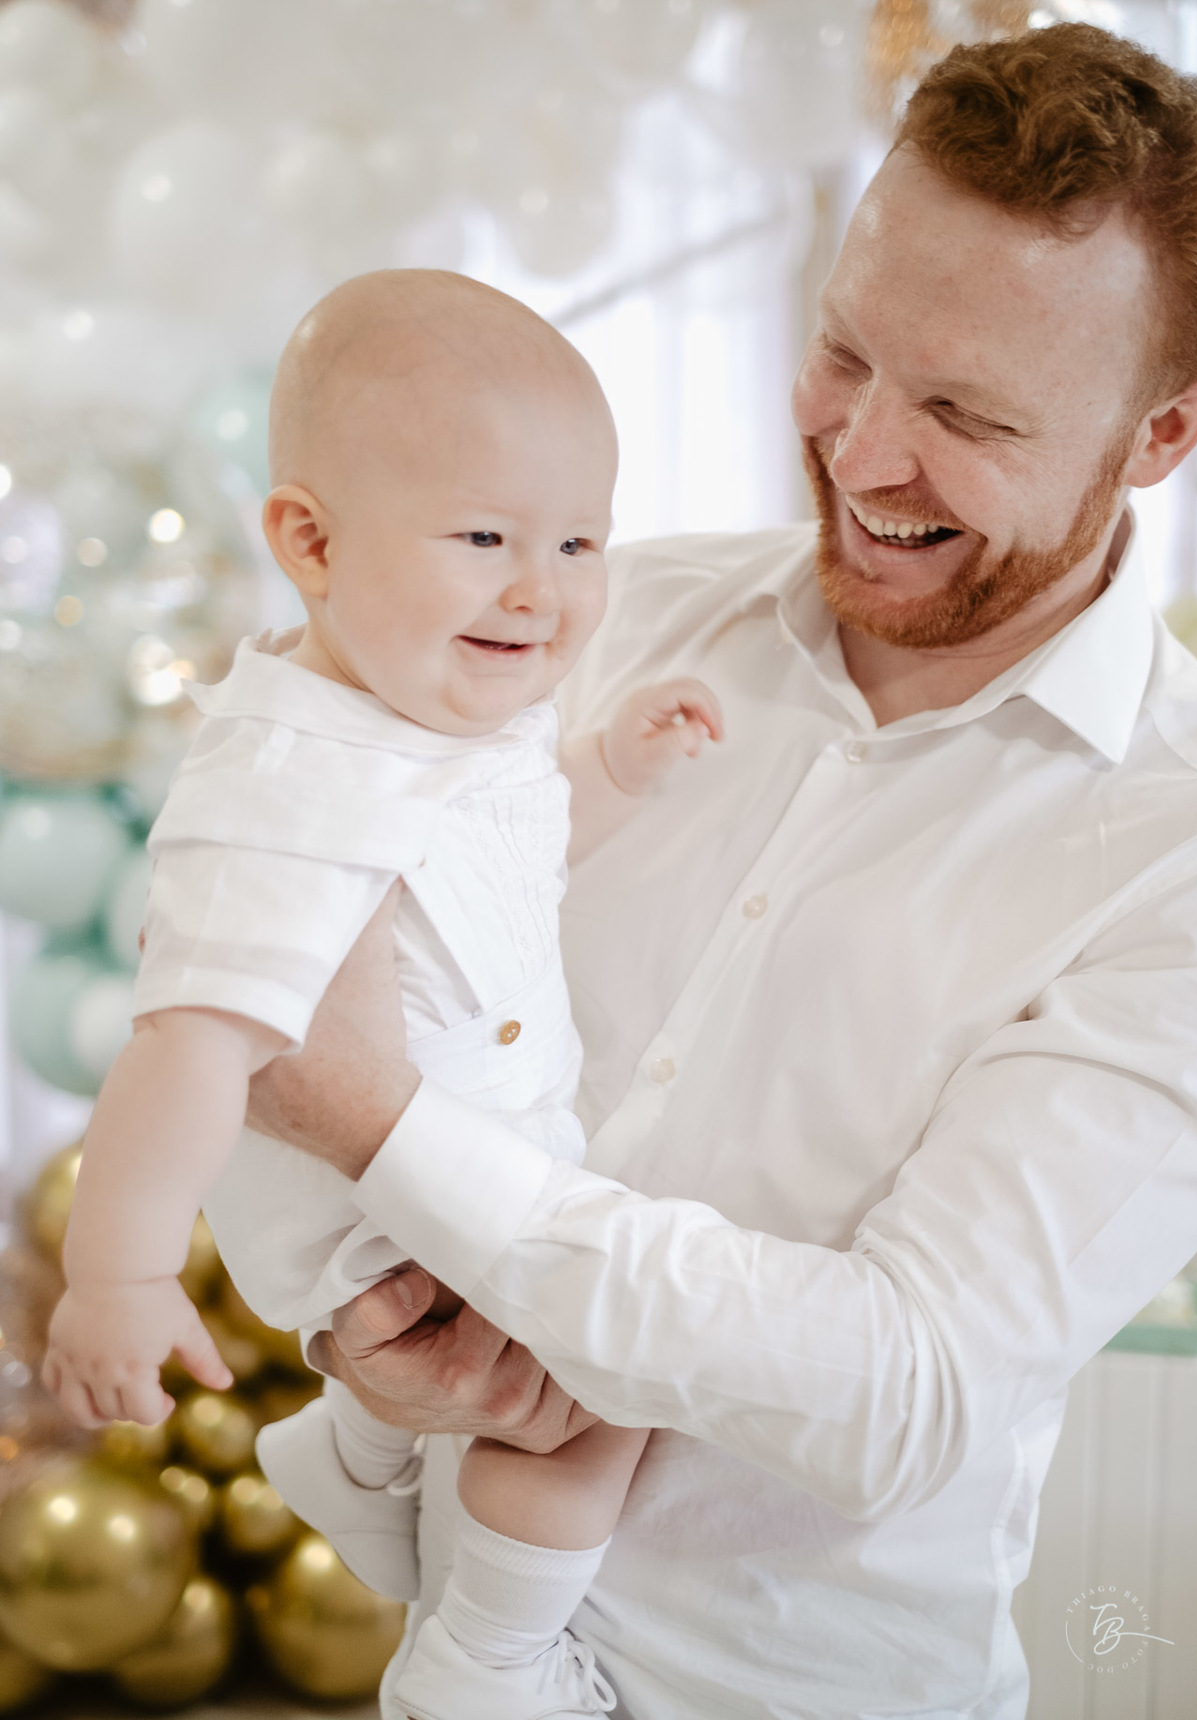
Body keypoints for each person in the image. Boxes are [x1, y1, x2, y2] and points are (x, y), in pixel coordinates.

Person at [243, 24, 1197, 1720]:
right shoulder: (576, 624)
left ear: (1160, 436)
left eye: (967, 416)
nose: (860, 450)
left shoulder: (1175, 851)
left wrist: (397, 1141)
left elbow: (901, 1391)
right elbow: (307, 954)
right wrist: (367, 1336)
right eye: (846, 353)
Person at [40, 271, 724, 1717]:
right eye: (483, 537)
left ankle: (360, 1457)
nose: (542, 588)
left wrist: (614, 770)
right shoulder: (291, 783)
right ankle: (483, 1666)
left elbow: (507, 858)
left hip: (476, 1165)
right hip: (379, 1214)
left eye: (580, 540)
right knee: (614, 1398)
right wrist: (121, 1271)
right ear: (310, 539)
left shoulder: (444, 715)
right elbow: (185, 1039)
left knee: (586, 1383)